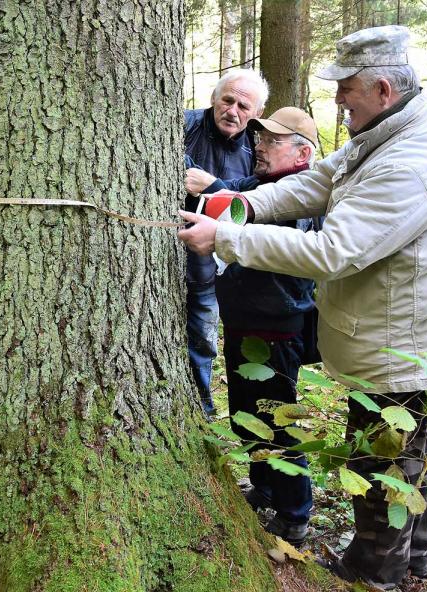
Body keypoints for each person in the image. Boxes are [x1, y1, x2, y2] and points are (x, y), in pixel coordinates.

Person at [177, 25, 427, 590]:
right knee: (408, 456)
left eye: (348, 88)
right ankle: (413, 560)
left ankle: (373, 572)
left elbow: (334, 251)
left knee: (382, 460)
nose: (338, 98)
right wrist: (241, 204)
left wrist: (227, 238)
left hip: (402, 344)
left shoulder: (411, 161)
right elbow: (315, 183)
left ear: (383, 89)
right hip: (396, 332)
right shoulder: (384, 133)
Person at [188, 107, 319, 545]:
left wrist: (220, 198)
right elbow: (237, 196)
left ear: (302, 153)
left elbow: (281, 238)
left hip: (277, 328)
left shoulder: (302, 193)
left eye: (271, 141)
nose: (258, 146)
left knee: (278, 418)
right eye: (259, 139)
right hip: (245, 322)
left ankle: (294, 514)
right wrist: (213, 186)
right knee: (247, 414)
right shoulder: (260, 184)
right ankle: (265, 488)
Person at [183, 69, 269, 417]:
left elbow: (261, 191)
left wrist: (214, 185)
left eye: (243, 106)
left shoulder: (257, 146)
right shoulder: (184, 125)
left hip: (217, 265)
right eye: (227, 100)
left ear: (257, 113)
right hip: (159, 257)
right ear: (214, 99)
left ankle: (201, 410)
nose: (233, 111)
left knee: (204, 340)